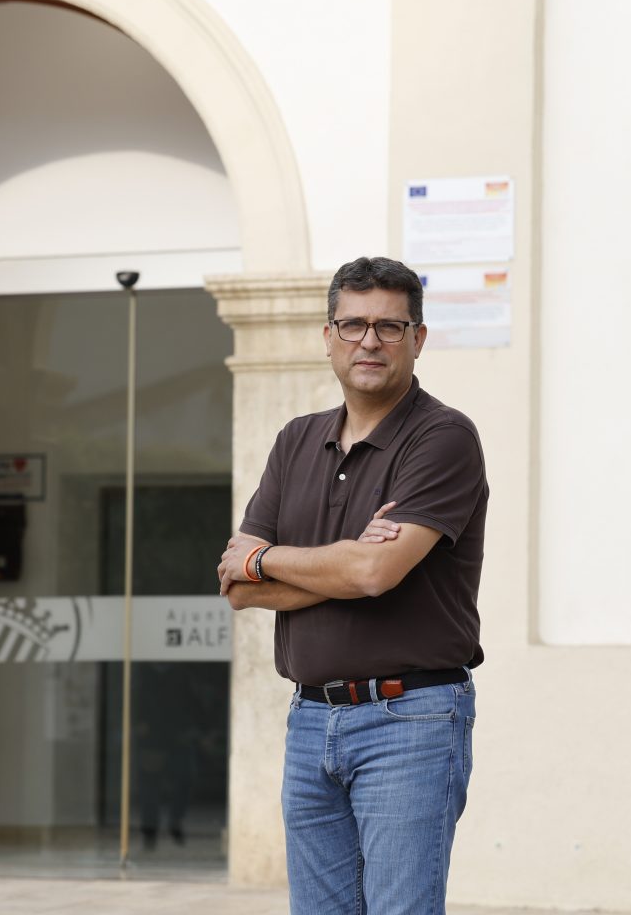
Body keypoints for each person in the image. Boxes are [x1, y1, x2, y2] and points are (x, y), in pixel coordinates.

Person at [218, 256, 489, 915]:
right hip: (311, 719)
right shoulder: (296, 440)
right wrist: (341, 562)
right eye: (353, 325)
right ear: (328, 336)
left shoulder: (443, 437)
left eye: (390, 327)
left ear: (418, 339)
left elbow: (374, 573)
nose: (370, 341)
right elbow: (238, 585)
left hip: (410, 719)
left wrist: (273, 560)